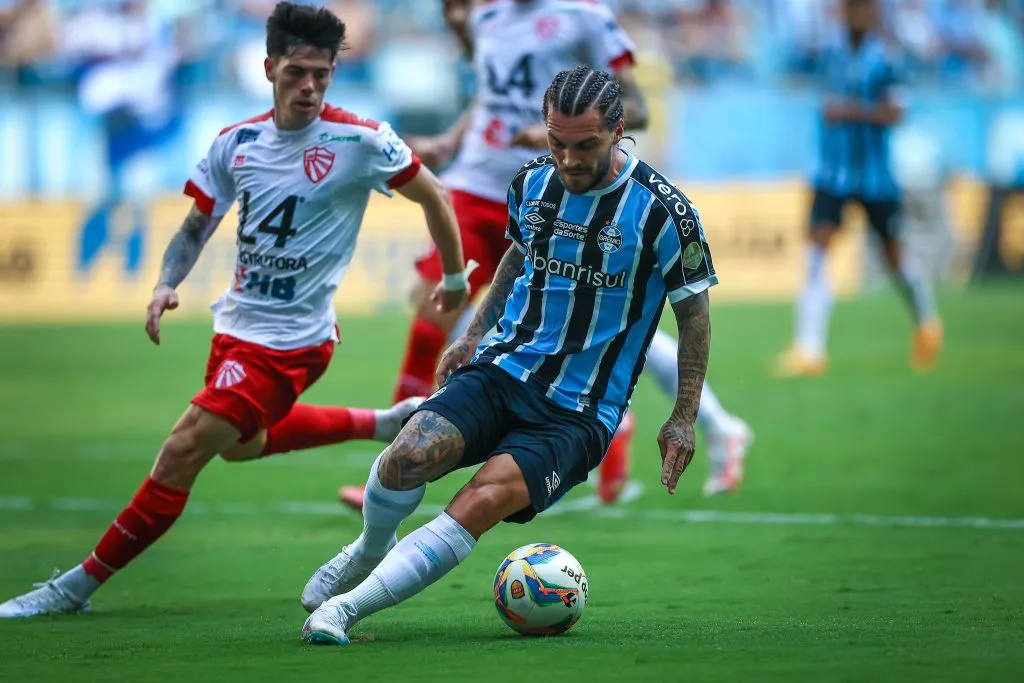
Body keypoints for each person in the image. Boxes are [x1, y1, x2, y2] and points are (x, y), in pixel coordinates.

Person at [0, 1, 468, 619]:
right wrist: (168, 282)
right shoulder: (237, 143)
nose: (309, 86)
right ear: (269, 66)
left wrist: (457, 276)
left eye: (321, 75)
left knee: (184, 448)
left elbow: (432, 194)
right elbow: (198, 222)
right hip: (235, 330)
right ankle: (382, 421)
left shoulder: (358, 139)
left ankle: (73, 589)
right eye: (297, 72)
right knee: (240, 446)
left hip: (294, 342)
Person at [300, 66, 716, 645]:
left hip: (578, 412)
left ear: (619, 131)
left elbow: (693, 315)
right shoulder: (532, 183)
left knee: (481, 499)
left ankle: (343, 611)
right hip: (504, 366)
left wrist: (683, 416)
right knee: (406, 457)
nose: (568, 160)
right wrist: (473, 333)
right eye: (557, 143)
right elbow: (517, 257)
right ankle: (367, 550)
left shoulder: (662, 212)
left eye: (586, 146)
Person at [337, 0, 750, 508]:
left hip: (569, 197)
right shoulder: (487, 19)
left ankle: (711, 422)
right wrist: (452, 139)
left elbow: (633, 107)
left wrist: (553, 139)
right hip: (481, 183)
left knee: (604, 312)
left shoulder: (585, 17)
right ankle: (404, 454)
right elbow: (490, 96)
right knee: (434, 307)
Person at [775, 0, 942, 377]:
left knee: (893, 257)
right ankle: (810, 350)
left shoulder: (887, 57)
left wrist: (850, 110)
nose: (855, 13)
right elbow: (797, 71)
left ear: (874, 11)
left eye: (862, 7)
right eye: (849, 7)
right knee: (817, 247)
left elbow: (896, 112)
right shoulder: (830, 49)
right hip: (832, 173)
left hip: (875, 177)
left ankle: (928, 321)